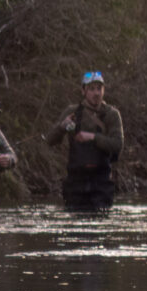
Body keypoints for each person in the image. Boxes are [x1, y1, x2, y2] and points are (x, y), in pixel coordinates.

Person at [47, 71, 124, 211]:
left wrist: (93, 137)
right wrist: (62, 127)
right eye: (92, 89)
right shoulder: (72, 112)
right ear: (83, 91)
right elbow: (50, 140)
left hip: (101, 182)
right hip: (75, 182)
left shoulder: (112, 114)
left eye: (99, 89)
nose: (96, 93)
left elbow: (117, 145)